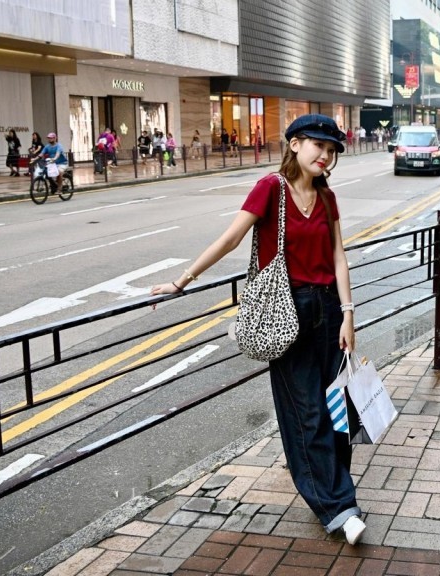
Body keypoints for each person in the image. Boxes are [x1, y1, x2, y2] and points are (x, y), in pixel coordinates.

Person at [149, 114, 366, 544]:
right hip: (286, 309)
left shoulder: (326, 197)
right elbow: (231, 239)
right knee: (307, 413)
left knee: (337, 409)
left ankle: (329, 484)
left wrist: (348, 312)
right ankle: (339, 507)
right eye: (318, 146)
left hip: (327, 308)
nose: (326, 155)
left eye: (332, 149)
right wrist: (181, 280)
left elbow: (339, 255)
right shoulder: (272, 188)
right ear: (295, 144)